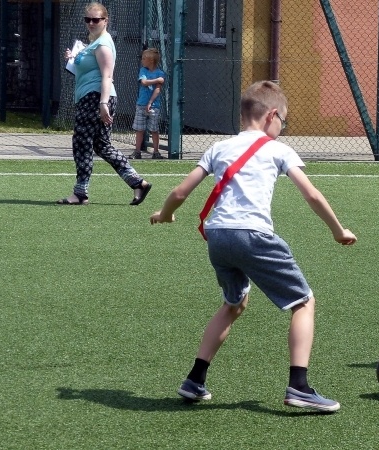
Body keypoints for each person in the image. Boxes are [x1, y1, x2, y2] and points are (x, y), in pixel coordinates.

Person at [150, 80, 357, 412]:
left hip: (218, 237)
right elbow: (312, 195)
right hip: (253, 235)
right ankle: (299, 386)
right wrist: (338, 230)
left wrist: (165, 215)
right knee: (304, 302)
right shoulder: (278, 150)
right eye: (283, 122)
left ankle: (195, 379)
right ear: (271, 115)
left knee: (234, 304)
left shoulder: (219, 148)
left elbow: (179, 193)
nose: (282, 129)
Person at [57, 2, 152, 206]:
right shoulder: (94, 42)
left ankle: (80, 193)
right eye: (88, 19)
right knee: (102, 145)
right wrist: (74, 58)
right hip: (94, 97)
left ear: (105, 21)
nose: (91, 23)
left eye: (96, 19)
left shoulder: (103, 44)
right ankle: (137, 183)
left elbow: (107, 75)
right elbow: (90, 69)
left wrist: (103, 103)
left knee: (81, 142)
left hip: (96, 97)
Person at [129, 48, 166, 160]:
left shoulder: (160, 73)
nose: (142, 60)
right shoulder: (143, 71)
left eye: (144, 58)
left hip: (154, 106)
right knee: (140, 129)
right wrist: (157, 80)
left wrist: (150, 102)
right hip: (141, 104)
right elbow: (144, 82)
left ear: (151, 60)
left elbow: (158, 89)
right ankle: (137, 151)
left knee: (154, 129)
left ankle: (156, 152)